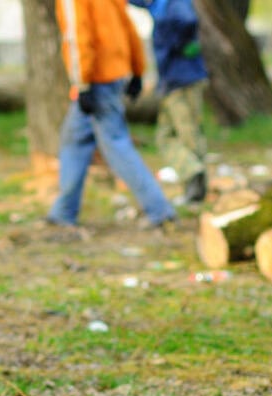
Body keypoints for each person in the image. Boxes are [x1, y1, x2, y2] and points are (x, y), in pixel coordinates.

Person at [48, 0, 176, 231]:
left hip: (96, 79)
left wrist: (82, 84)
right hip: (113, 73)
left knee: (116, 145)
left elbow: (77, 36)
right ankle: (63, 211)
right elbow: (127, 25)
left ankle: (159, 210)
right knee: (74, 141)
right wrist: (137, 69)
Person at [130, 0, 210, 205]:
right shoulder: (158, 4)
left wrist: (176, 45)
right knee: (165, 136)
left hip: (183, 79)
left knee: (188, 133)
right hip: (171, 80)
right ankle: (193, 176)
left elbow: (187, 20)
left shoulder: (173, 3)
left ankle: (196, 186)